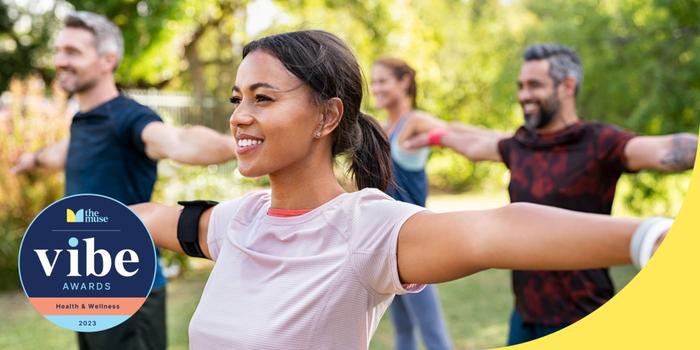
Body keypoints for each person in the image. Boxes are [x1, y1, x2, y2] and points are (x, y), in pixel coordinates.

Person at [129, 30, 669, 350]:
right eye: (236, 98)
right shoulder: (236, 222)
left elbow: (496, 229)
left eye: (264, 98)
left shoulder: (364, 229)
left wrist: (650, 237)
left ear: (327, 116)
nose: (241, 117)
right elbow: (153, 218)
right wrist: (76, 229)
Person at [403, 43, 697, 345]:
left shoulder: (600, 143)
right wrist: (434, 136)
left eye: (534, 85)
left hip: (582, 315)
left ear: (567, 85)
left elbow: (666, 150)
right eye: (520, 86)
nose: (523, 95)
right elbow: (476, 146)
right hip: (525, 318)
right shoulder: (519, 144)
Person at [11, 11, 237, 350]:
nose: (60, 60)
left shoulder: (129, 118)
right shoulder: (84, 121)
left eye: (73, 52)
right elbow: (61, 153)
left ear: (107, 60)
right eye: (59, 51)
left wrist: (240, 146)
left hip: (128, 290)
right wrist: (32, 160)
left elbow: (177, 141)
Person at [371, 57, 452, 350]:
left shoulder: (415, 122)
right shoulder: (381, 128)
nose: (376, 88)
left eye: (382, 81)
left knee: (432, 333)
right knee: (403, 330)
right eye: (374, 81)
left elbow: (453, 133)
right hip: (386, 243)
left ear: (404, 81)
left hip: (416, 242)